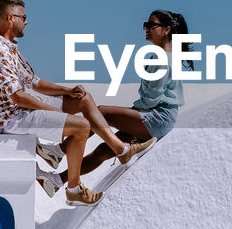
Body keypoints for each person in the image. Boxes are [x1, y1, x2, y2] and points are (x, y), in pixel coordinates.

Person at [0, 0, 151, 205]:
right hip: (14, 120)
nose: (26, 21)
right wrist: (54, 112)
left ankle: (119, 149)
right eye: (23, 17)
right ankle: (74, 189)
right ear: (10, 18)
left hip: (22, 110)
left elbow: (34, 82)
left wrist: (67, 90)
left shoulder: (9, 48)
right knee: (81, 127)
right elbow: (17, 96)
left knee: (83, 99)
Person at [59, 10, 189, 184]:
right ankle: (57, 180)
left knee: (101, 112)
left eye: (152, 25)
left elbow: (150, 100)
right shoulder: (161, 57)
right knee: (103, 151)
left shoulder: (163, 60)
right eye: (145, 25)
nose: (146, 29)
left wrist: (130, 111)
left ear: (166, 30)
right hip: (156, 117)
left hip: (157, 119)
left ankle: (58, 151)